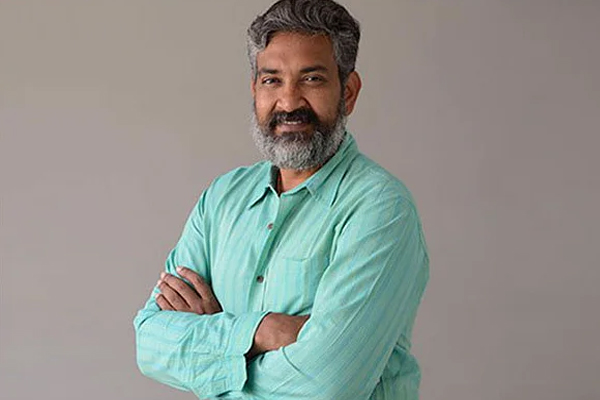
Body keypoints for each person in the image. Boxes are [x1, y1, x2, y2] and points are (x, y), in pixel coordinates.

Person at [133, 0, 429, 398]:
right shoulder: (222, 199)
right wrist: (261, 331)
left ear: (348, 92)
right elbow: (150, 345)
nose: (289, 102)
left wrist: (214, 349)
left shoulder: (380, 209)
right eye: (272, 80)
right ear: (254, 90)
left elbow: (326, 385)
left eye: (312, 79)